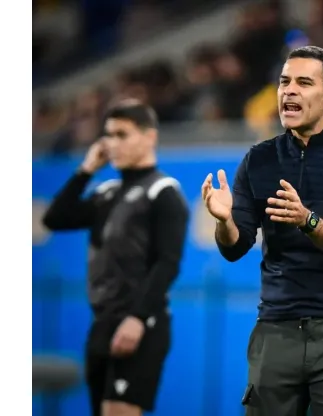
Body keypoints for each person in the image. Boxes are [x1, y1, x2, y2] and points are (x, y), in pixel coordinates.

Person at [201, 46, 323, 416]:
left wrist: (307, 220)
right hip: (276, 328)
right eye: (284, 82)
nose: (289, 91)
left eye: (303, 82)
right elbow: (235, 247)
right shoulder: (259, 159)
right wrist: (225, 222)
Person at [42, 100, 190, 416]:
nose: (112, 144)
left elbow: (168, 262)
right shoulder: (107, 192)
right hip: (103, 323)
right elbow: (55, 218)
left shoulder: (163, 192)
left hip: (140, 323)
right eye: (108, 135)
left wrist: (137, 318)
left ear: (149, 137)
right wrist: (85, 170)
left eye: (122, 134)